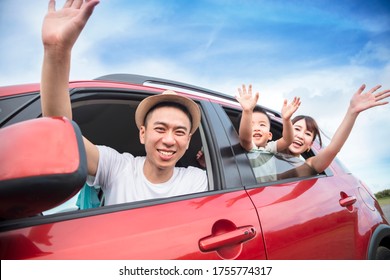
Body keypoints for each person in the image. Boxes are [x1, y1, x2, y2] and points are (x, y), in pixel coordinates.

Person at [40, 0, 207, 206]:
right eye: (160, 128)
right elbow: (62, 136)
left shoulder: (197, 180)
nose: (169, 140)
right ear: (143, 133)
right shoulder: (117, 167)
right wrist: (57, 52)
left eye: (180, 132)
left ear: (189, 140)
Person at [279, 84, 390, 175]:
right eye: (297, 129)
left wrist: (352, 112)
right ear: (286, 130)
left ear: (310, 145)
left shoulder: (307, 167)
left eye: (308, 133)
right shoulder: (266, 150)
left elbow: (333, 148)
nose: (300, 135)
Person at [235, 84, 301, 182]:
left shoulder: (270, 148)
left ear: (269, 135)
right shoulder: (249, 147)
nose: (257, 128)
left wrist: (286, 120)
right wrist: (247, 111)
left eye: (262, 125)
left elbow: (288, 140)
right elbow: (245, 138)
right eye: (251, 125)